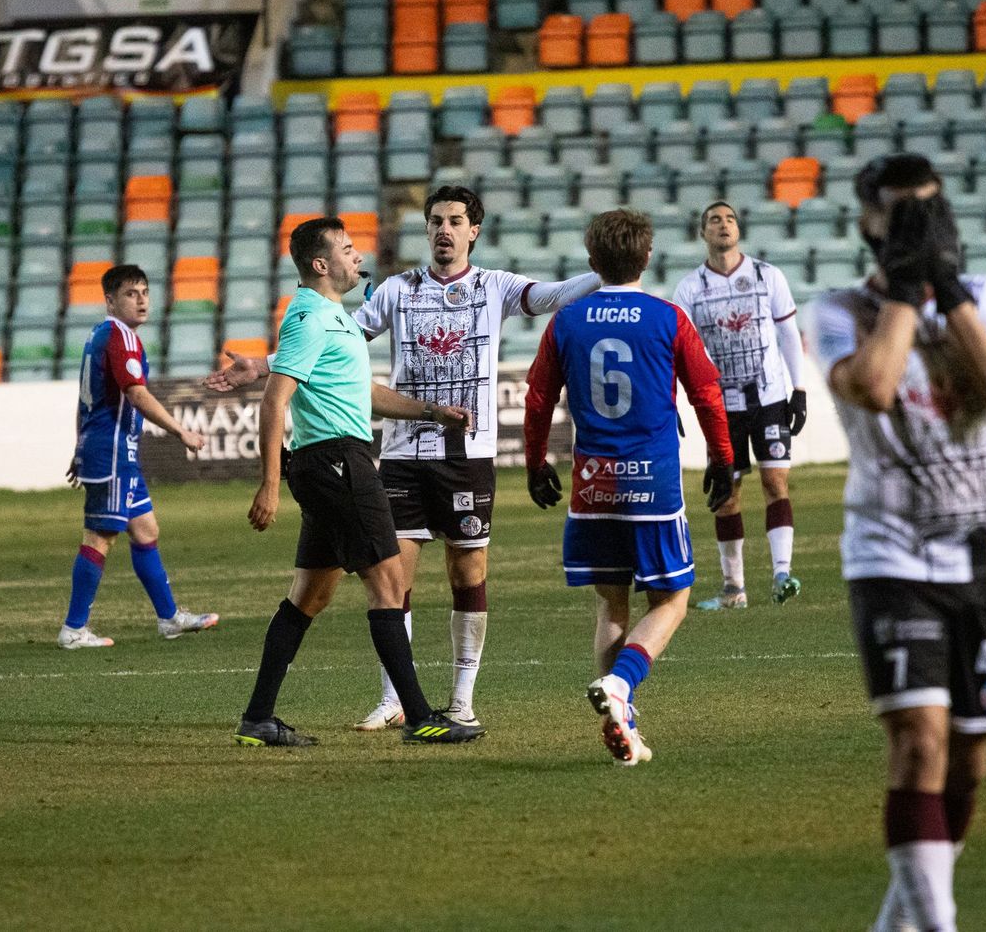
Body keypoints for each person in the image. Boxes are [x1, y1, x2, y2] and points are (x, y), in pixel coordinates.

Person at [208, 185, 600, 732]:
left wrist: (608, 271)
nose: (444, 229)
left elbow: (353, 376)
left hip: (455, 453)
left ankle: (271, 715)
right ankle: (410, 709)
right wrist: (266, 379)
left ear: (473, 230)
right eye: (435, 220)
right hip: (373, 460)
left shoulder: (490, 288)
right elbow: (302, 364)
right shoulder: (386, 294)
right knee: (393, 583)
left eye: (455, 220)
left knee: (331, 591)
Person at [810, 154, 986, 932]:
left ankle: (899, 922)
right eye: (903, 214)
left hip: (980, 555)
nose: (918, 227)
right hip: (891, 552)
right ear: (868, 222)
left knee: (969, 756)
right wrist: (906, 285)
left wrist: (949, 286)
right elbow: (872, 384)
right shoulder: (835, 310)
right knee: (919, 740)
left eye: (929, 211)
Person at [234, 216, 486, 747]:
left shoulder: (336, 317)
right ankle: (419, 717)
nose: (358, 257)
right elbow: (275, 399)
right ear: (321, 264)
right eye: (348, 250)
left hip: (330, 464)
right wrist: (269, 484)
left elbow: (363, 391)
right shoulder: (307, 319)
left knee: (309, 595)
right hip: (338, 463)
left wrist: (428, 411)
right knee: (389, 585)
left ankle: (258, 718)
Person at [523, 209, 734, 767]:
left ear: (592, 262)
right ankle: (621, 685)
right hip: (654, 482)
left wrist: (534, 462)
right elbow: (707, 394)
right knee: (672, 599)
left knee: (612, 606)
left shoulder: (567, 321)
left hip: (593, 483)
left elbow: (539, 399)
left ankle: (624, 721)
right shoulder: (668, 317)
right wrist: (724, 457)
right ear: (647, 257)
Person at [58, 264, 218, 649]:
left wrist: (80, 448)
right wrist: (181, 430)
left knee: (146, 530)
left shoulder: (102, 335)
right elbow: (136, 393)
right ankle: (74, 629)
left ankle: (169, 619)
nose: (142, 299)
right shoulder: (120, 336)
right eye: (132, 293)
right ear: (110, 300)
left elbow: (88, 400)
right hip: (112, 454)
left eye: (145, 291)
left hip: (112, 452)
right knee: (100, 537)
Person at [671, 200, 808, 610]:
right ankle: (735, 590)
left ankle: (782, 573)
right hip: (720, 406)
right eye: (714, 219)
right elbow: (677, 350)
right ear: (703, 232)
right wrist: (671, 398)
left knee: (775, 482)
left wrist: (798, 389)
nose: (724, 224)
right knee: (727, 493)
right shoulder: (690, 287)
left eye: (730, 218)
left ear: (739, 229)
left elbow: (788, 334)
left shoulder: (768, 276)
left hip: (768, 397)